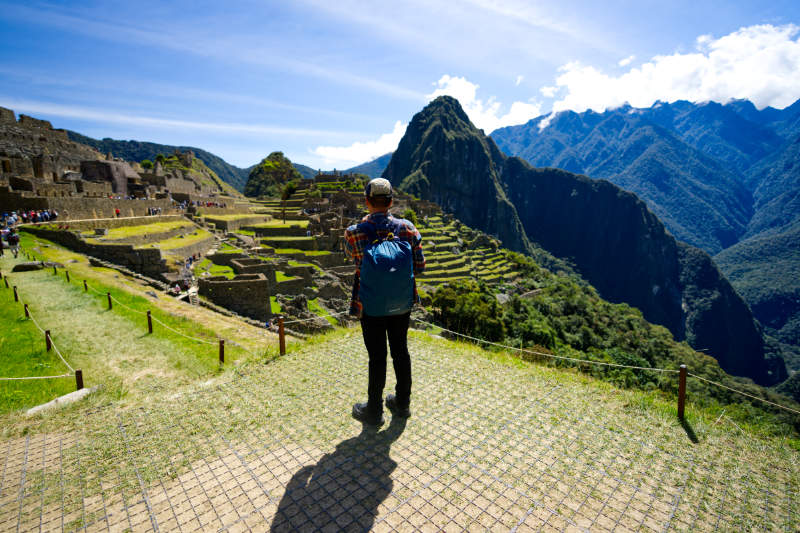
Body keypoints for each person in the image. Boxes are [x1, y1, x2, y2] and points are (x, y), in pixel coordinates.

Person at [344, 178, 425, 425]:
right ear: (391, 201)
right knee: (401, 352)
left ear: (367, 201)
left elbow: (352, 259)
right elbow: (419, 267)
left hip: (370, 305)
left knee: (377, 356)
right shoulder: (408, 229)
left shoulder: (354, 233)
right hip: (401, 303)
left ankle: (374, 411)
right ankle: (402, 404)